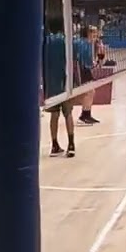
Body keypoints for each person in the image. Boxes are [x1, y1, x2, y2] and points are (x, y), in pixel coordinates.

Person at [43, 17, 76, 158]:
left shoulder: (45, 42)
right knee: (68, 114)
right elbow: (73, 59)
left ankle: (54, 145)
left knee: (54, 115)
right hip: (65, 82)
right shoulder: (66, 41)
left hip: (50, 84)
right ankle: (71, 145)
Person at [73, 25, 101, 125]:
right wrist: (91, 63)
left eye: (96, 33)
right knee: (88, 92)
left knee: (91, 92)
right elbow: (80, 58)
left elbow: (89, 58)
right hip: (81, 69)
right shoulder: (82, 43)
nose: (96, 35)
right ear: (88, 34)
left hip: (86, 68)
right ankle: (83, 116)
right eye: (94, 33)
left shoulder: (90, 43)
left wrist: (94, 62)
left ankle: (86, 114)